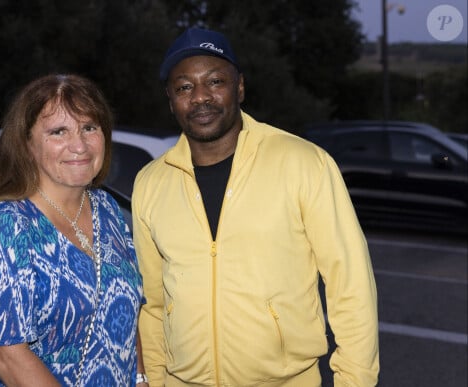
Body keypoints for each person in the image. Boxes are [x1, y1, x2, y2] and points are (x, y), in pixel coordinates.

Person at [132, 27, 379, 386]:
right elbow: (152, 305)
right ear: (171, 100)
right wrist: (155, 380)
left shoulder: (304, 163)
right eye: (184, 87)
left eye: (215, 81)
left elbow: (351, 286)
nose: (200, 97)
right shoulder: (152, 182)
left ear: (240, 87)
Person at [0, 74, 149, 386]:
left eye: (89, 128)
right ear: (27, 145)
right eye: (59, 131)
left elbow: (125, 311)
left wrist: (140, 378)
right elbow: (5, 356)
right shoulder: (8, 224)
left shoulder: (107, 209)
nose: (79, 145)